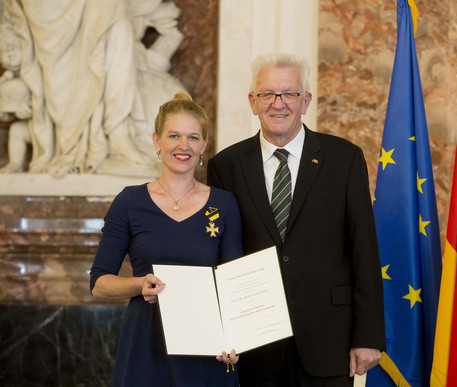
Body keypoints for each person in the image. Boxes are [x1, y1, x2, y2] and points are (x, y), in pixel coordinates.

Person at [207, 52, 385, 386]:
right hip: (254, 347)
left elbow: (364, 249)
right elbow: (219, 254)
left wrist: (369, 335)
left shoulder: (344, 159)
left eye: (289, 94)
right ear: (252, 101)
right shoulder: (225, 166)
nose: (278, 104)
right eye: (267, 94)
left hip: (329, 340)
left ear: (305, 101)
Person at [90, 93, 242, 387]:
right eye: (174, 135)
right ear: (157, 141)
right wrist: (139, 284)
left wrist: (237, 342)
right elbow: (99, 283)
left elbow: (235, 284)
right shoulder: (129, 202)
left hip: (208, 350)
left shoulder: (225, 204)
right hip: (145, 346)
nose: (183, 146)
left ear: (204, 145)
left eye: (193, 137)